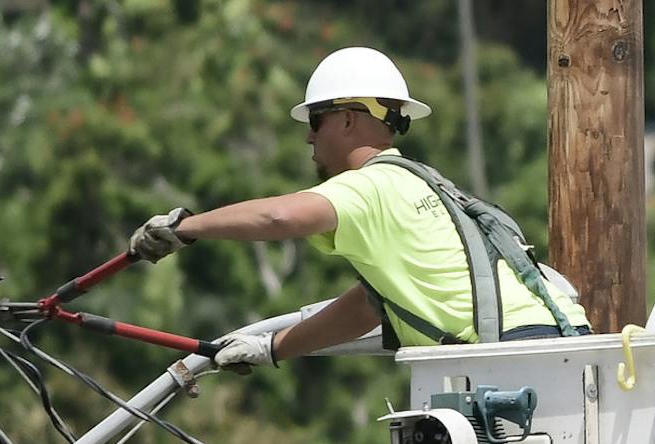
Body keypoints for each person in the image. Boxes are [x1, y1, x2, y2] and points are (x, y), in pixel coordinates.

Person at [127, 46, 589, 372]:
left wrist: (186, 227)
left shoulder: (371, 187)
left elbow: (280, 217)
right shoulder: (418, 183)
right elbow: (369, 307)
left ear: (347, 119)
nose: (309, 136)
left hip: (512, 355)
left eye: (315, 121)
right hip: (556, 348)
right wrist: (271, 348)